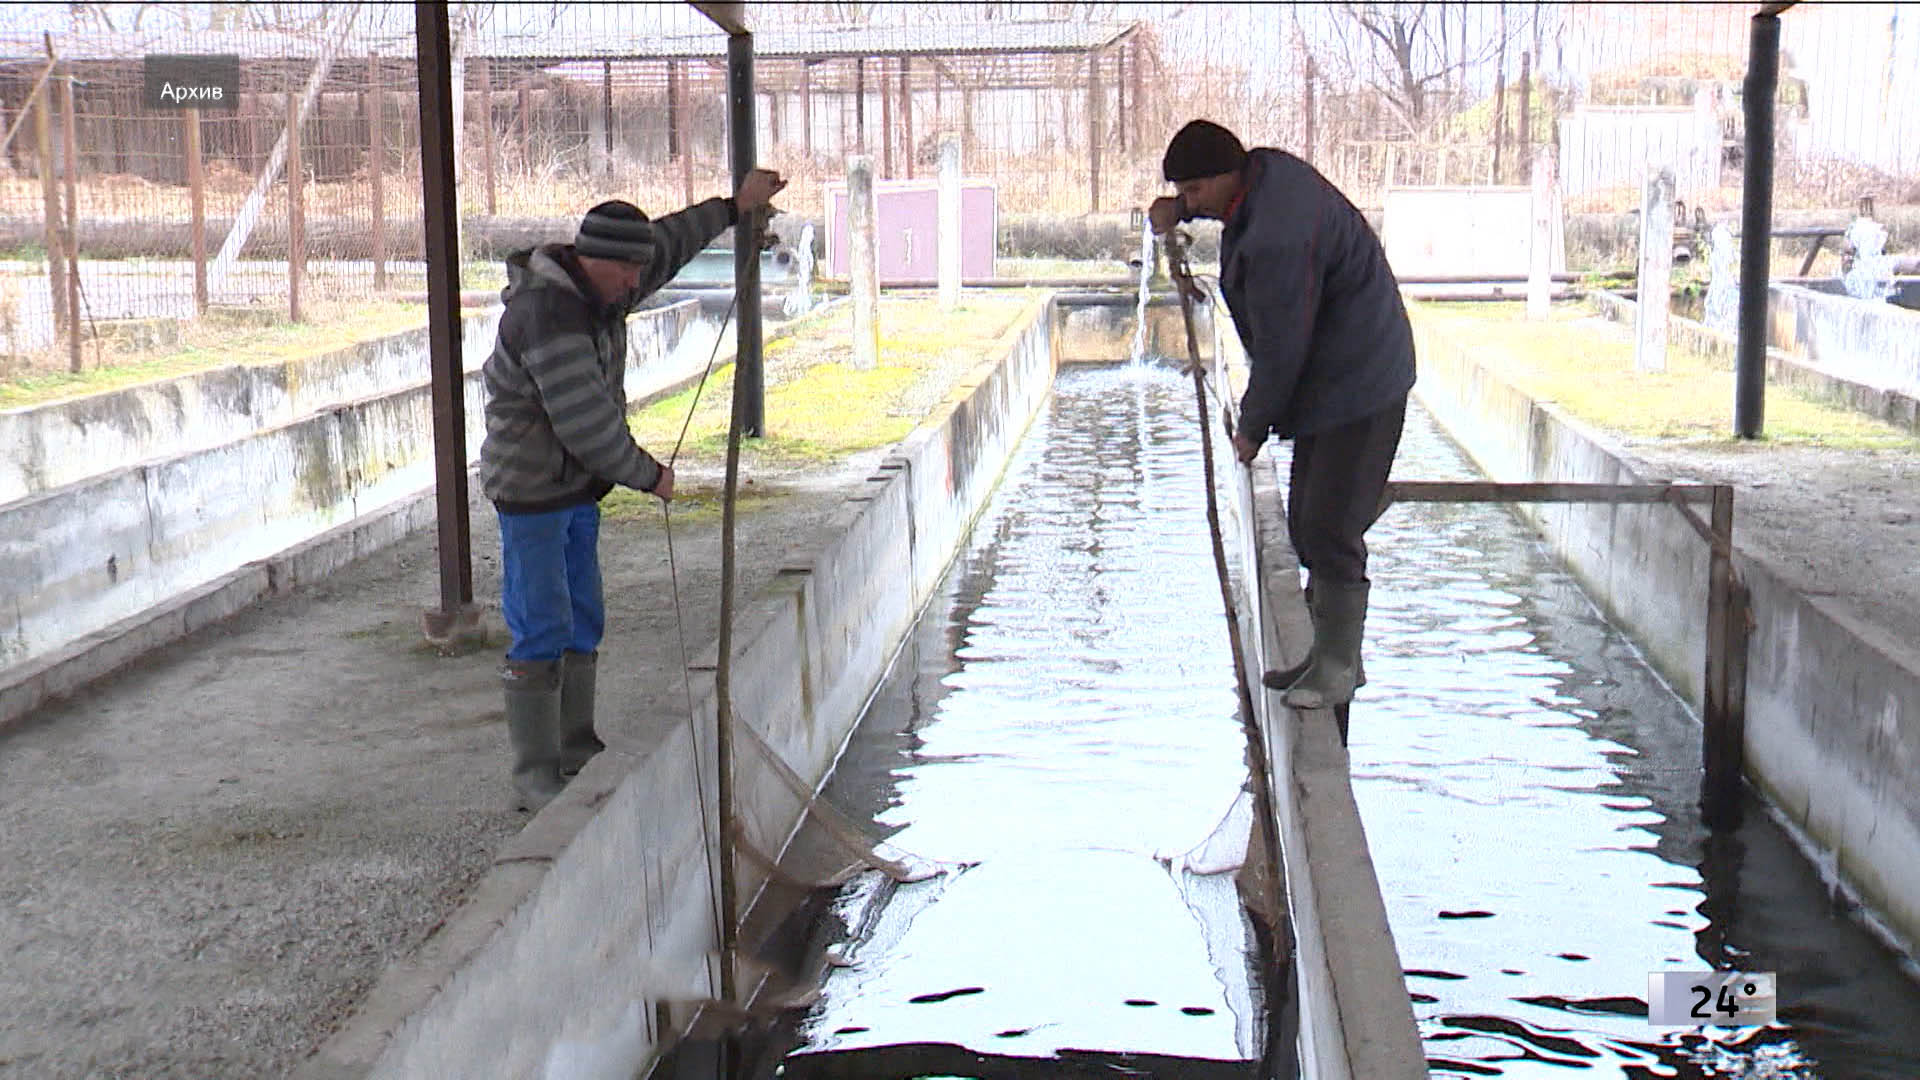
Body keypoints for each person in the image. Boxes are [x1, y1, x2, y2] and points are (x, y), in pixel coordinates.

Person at [480, 168, 787, 811]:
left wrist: (735, 207)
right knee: (540, 621)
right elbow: (586, 423)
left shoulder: (603, 285)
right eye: (629, 274)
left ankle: (576, 745)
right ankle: (535, 774)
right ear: (598, 262)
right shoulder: (548, 316)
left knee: (582, 614)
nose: (637, 285)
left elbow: (667, 242)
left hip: (574, 492)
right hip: (532, 491)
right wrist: (649, 475)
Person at [1149, 120, 1414, 711]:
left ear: (1224, 176)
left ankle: (1340, 667)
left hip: (1361, 382)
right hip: (1340, 377)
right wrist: (1180, 214)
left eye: (1193, 191)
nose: (1187, 203)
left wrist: (1250, 427)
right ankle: (1326, 656)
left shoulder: (1277, 235)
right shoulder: (1261, 178)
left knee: (1328, 527)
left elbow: (1282, 346)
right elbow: (1223, 212)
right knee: (1308, 523)